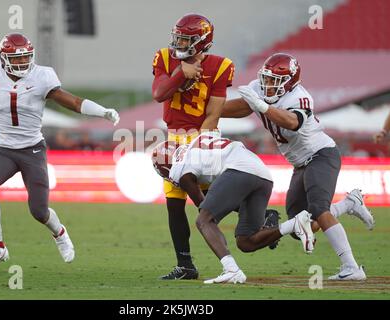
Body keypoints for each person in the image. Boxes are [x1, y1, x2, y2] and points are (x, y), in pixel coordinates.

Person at [0, 33, 120, 269]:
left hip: (32, 149)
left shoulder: (42, 76)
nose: (22, 63)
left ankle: (60, 233)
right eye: (17, 59)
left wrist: (103, 111)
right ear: (3, 59)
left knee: (39, 211)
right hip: (4, 149)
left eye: (26, 58)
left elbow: (72, 101)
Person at [222, 53, 373, 280]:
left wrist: (261, 106)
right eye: (267, 79)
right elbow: (243, 108)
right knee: (301, 224)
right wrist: (208, 109)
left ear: (290, 81)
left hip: (321, 155)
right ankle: (348, 203)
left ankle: (352, 267)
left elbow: (292, 122)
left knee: (319, 210)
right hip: (300, 164)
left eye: (275, 80)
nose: (268, 85)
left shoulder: (300, 98)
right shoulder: (260, 90)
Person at [151, 133, 314, 284]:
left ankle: (231, 269)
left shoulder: (179, 167)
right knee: (246, 241)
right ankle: (294, 224)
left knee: (203, 220)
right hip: (263, 174)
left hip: (238, 170)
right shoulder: (200, 141)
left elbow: (203, 206)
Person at [152, 13, 235, 280]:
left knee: (215, 200)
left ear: (202, 42)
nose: (179, 42)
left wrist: (200, 146)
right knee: (174, 205)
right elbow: (159, 93)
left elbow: (214, 113)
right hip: (174, 137)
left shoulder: (221, 66)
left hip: (204, 137)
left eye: (186, 39)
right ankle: (185, 265)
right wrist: (180, 73)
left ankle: (261, 217)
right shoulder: (165, 58)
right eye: (178, 37)